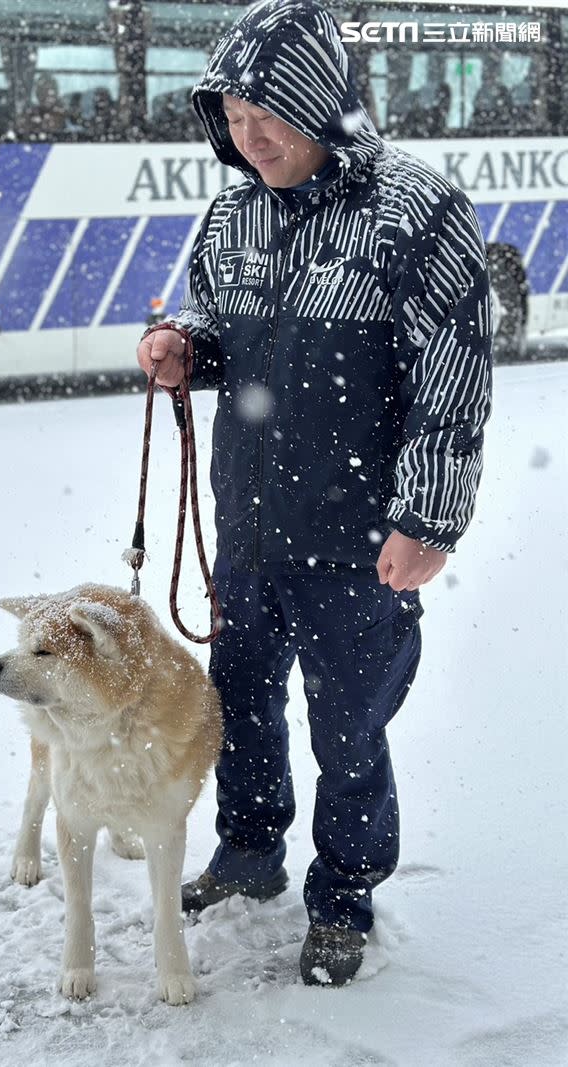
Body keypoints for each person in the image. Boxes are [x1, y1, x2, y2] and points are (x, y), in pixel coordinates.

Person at [136, 0, 492, 988]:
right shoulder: (230, 212)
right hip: (248, 523)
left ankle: (341, 891)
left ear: (322, 103)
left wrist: (427, 517)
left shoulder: (414, 210)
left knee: (346, 723)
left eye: (270, 121)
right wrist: (182, 349)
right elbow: (214, 324)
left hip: (358, 534)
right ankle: (249, 850)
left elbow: (451, 377)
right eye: (235, 123)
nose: (251, 145)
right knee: (240, 702)